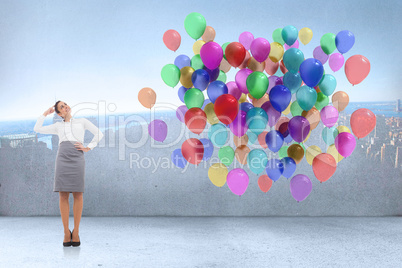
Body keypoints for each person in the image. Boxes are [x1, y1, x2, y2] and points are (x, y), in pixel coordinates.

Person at [33, 100, 104, 247]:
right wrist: (46, 113)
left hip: (77, 158)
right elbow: (37, 128)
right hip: (62, 158)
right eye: (62, 107)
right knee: (63, 194)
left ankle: (76, 232)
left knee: (78, 194)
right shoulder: (58, 125)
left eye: (65, 104)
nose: (66, 107)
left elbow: (99, 133)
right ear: (58, 113)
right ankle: (66, 232)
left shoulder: (82, 121)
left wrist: (88, 147)